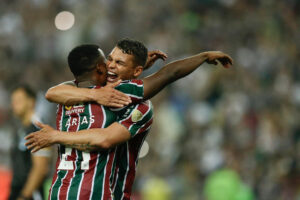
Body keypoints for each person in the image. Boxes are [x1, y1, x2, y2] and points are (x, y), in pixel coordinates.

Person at [26, 39, 233, 199]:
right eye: (109, 60)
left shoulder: (69, 96)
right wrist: (203, 56)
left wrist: (55, 135)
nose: (111, 66)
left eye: (119, 62)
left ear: (137, 70)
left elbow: (53, 92)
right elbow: (169, 74)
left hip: (60, 192)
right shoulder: (124, 94)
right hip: (98, 194)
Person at [10, 86, 51, 200]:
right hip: (16, 191)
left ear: (31, 102)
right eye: (13, 101)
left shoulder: (38, 128)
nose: (13, 104)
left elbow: (40, 169)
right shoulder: (21, 130)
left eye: (18, 100)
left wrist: (24, 196)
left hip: (30, 195)